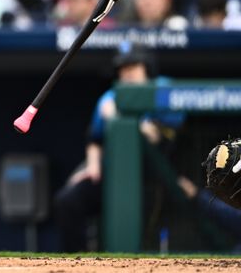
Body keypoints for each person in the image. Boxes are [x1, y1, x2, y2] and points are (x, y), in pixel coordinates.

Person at [53, 42, 182, 251]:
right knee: (67, 200)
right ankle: (76, 263)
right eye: (123, 68)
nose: (127, 73)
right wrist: (93, 167)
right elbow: (95, 139)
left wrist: (117, 116)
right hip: (113, 174)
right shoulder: (111, 97)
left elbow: (155, 137)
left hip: (152, 177)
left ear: (147, 68)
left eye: (133, 66)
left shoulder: (162, 88)